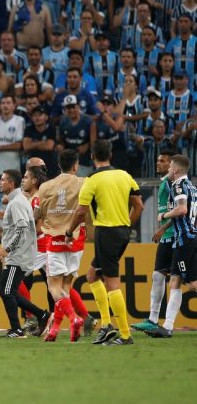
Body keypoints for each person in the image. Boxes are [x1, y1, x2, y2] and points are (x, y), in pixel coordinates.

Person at [65, 139, 144, 346]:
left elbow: (81, 211)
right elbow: (139, 206)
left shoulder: (91, 180)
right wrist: (127, 226)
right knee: (92, 275)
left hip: (106, 233)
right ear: (110, 155)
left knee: (112, 284)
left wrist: (68, 231)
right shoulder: (125, 176)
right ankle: (107, 325)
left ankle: (125, 335)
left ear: (91, 157)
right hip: (122, 232)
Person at [36, 151, 94, 342]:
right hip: (76, 240)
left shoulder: (46, 186)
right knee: (66, 288)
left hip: (55, 240)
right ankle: (54, 329)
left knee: (54, 287)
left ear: (59, 165)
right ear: (76, 165)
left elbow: (38, 214)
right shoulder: (84, 183)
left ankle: (74, 318)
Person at [0, 169, 52, 338]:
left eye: (2, 180)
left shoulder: (17, 202)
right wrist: (4, 232)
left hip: (18, 255)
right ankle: (42, 315)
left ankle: (17, 329)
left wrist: (7, 249)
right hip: (20, 253)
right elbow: (21, 226)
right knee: (10, 291)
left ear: (11, 184)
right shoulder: (18, 200)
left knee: (6, 291)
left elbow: (23, 228)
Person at [146, 155, 197, 338]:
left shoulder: (178, 185)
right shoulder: (192, 187)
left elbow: (182, 209)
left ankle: (167, 327)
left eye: (169, 168)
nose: (167, 171)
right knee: (188, 282)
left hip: (184, 239)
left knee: (180, 282)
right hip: (188, 238)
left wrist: (164, 216)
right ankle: (167, 326)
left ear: (175, 170)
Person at [132, 150, 176, 333]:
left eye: (163, 161)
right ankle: (152, 318)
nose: (158, 163)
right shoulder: (165, 182)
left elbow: (181, 210)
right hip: (168, 237)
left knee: (187, 282)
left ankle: (159, 320)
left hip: (176, 236)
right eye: (157, 160)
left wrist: (162, 228)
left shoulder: (173, 183)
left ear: (172, 165)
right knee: (158, 275)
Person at [0, 94, 24, 182]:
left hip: (12, 169)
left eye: (8, 103)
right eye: (3, 103)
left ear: (13, 106)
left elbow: (19, 145)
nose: (5, 105)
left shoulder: (19, 121)